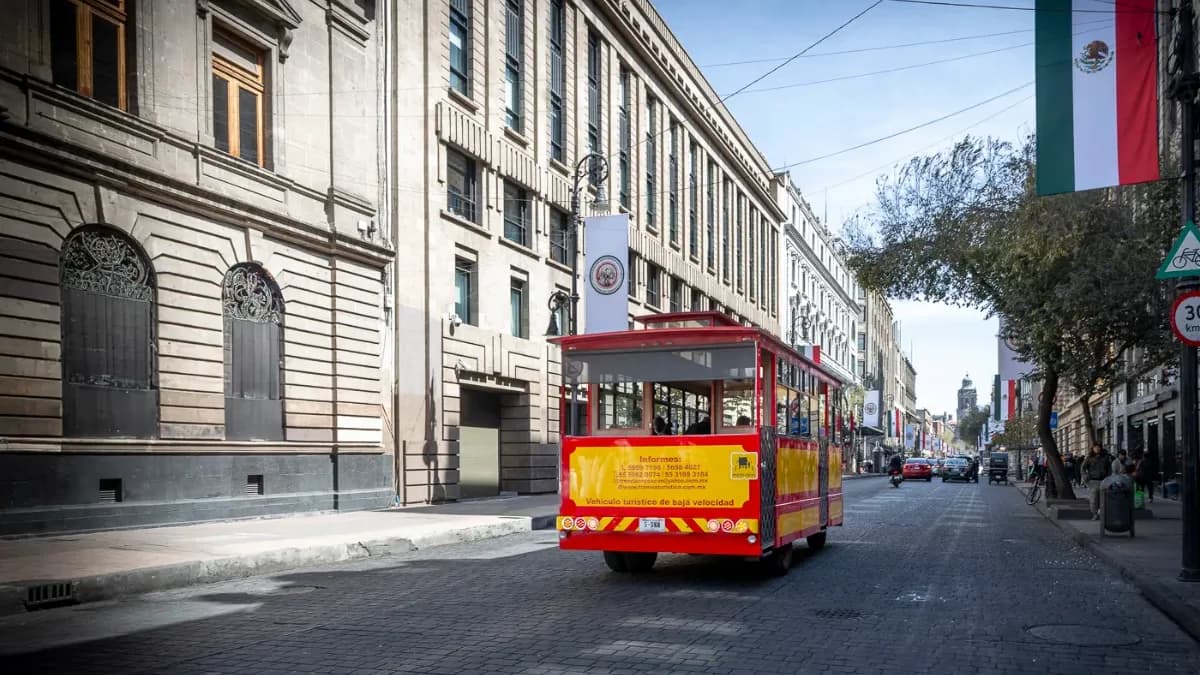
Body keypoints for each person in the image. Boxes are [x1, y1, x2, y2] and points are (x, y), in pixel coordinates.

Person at [1081, 442, 1112, 520]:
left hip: (1103, 481)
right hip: (1093, 481)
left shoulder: (1105, 457)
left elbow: (1109, 468)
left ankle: (1103, 514)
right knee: (1094, 499)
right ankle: (1094, 514)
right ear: (1093, 448)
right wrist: (1085, 477)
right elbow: (1083, 468)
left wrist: (1108, 478)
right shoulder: (1089, 458)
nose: (1097, 448)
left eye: (1098, 447)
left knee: (1104, 499)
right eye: (1095, 447)